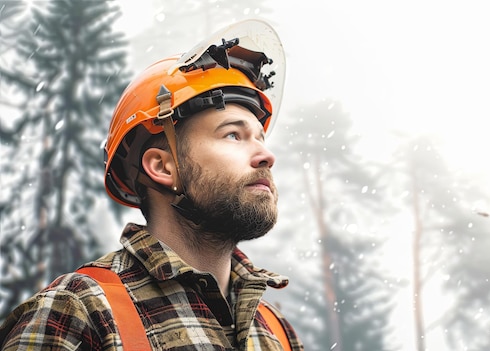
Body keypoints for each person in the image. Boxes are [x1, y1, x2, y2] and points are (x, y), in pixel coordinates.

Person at [0, 19, 303, 350]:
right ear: (162, 167)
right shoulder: (81, 311)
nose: (266, 155)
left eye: (260, 137)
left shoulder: (275, 330)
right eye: (233, 134)